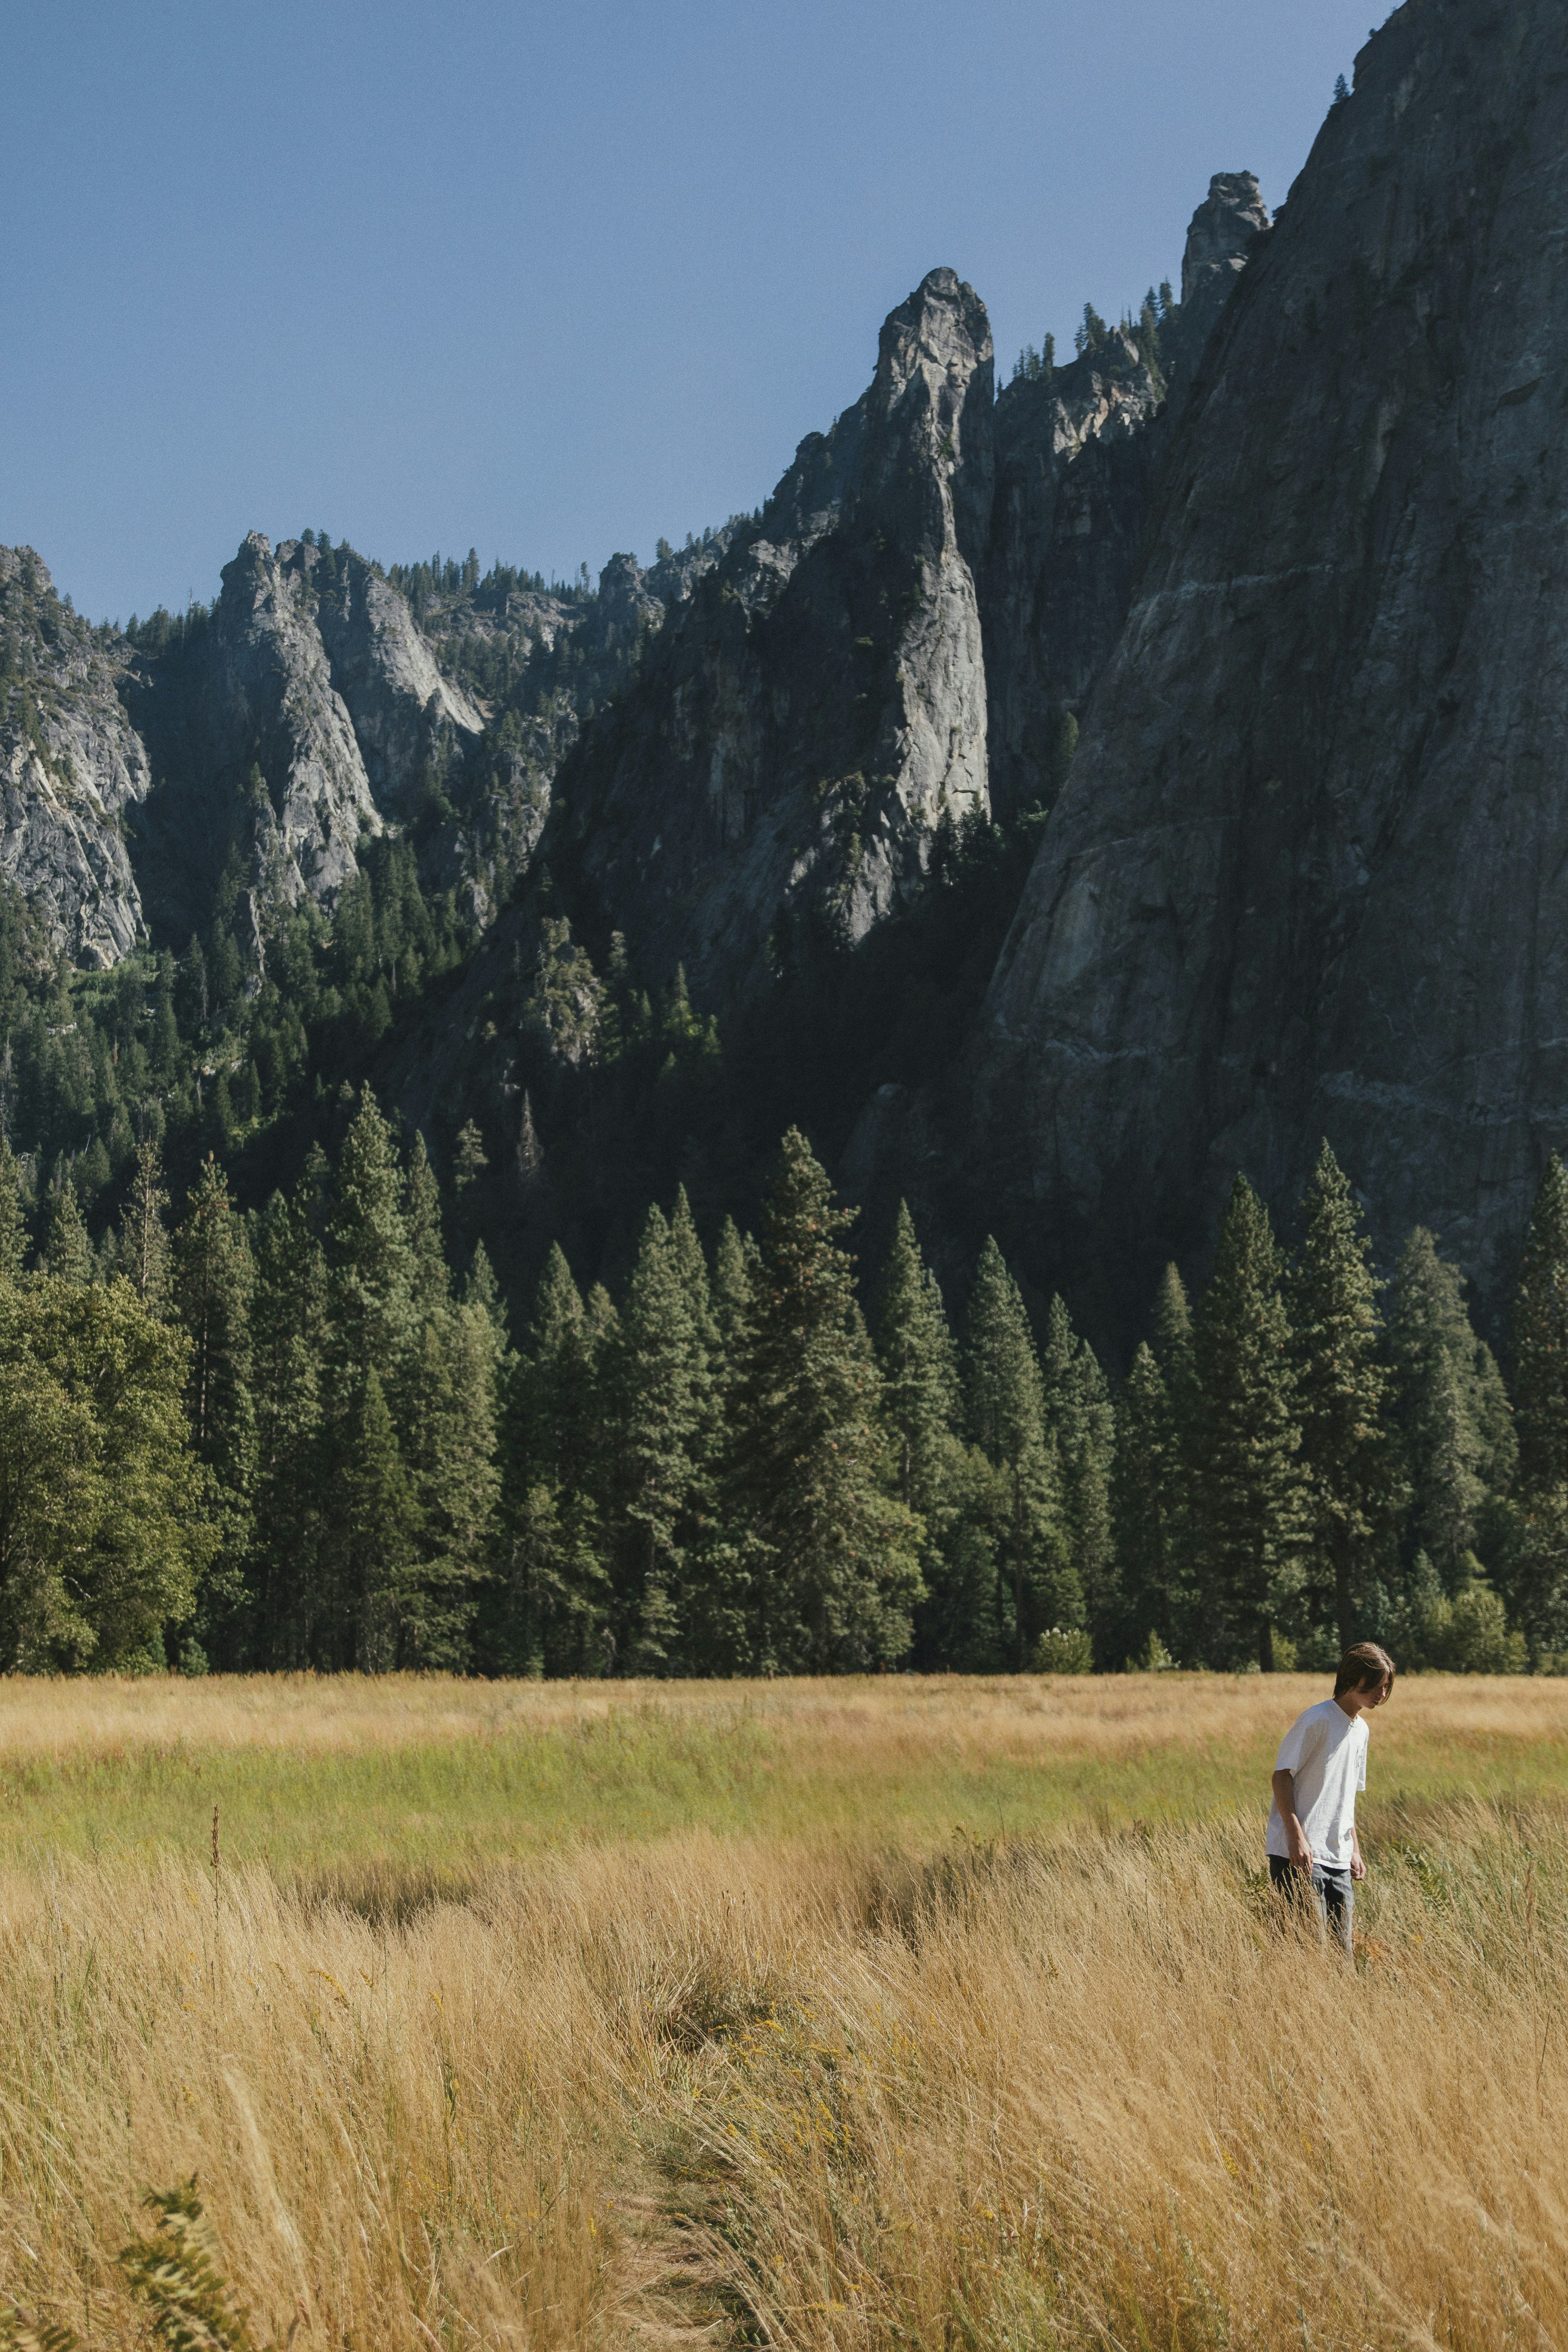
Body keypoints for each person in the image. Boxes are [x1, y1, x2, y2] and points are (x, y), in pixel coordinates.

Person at [1267, 1641, 1394, 1955]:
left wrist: (1354, 1849)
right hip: (1299, 1856)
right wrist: (1296, 1838)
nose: (1382, 1693)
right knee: (1305, 1953)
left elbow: (1346, 1795)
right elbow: (1281, 1777)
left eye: (1386, 1686)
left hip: (1338, 1858)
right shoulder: (1316, 1719)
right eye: (1376, 1685)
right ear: (1353, 1679)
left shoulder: (1361, 1730)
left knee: (1342, 1958)